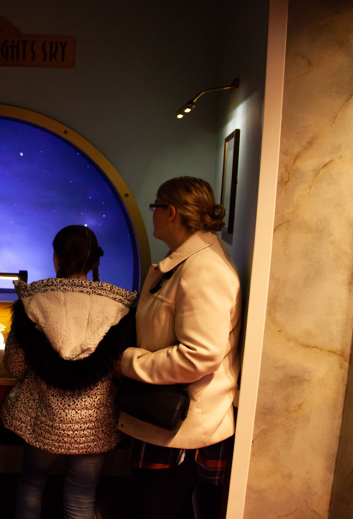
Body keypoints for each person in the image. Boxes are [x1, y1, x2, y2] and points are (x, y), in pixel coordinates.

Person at [115, 176, 241, 519]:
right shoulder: (188, 260)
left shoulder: (204, 269)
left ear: (170, 212)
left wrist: (127, 362)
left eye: (154, 206)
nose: (152, 213)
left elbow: (200, 355)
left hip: (182, 426)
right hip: (169, 420)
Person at [1, 225, 137, 519]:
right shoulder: (119, 308)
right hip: (94, 426)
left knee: (31, 485)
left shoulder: (33, 303)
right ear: (95, 261)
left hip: (43, 421)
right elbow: (120, 371)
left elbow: (15, 366)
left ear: (56, 257)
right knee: (81, 499)